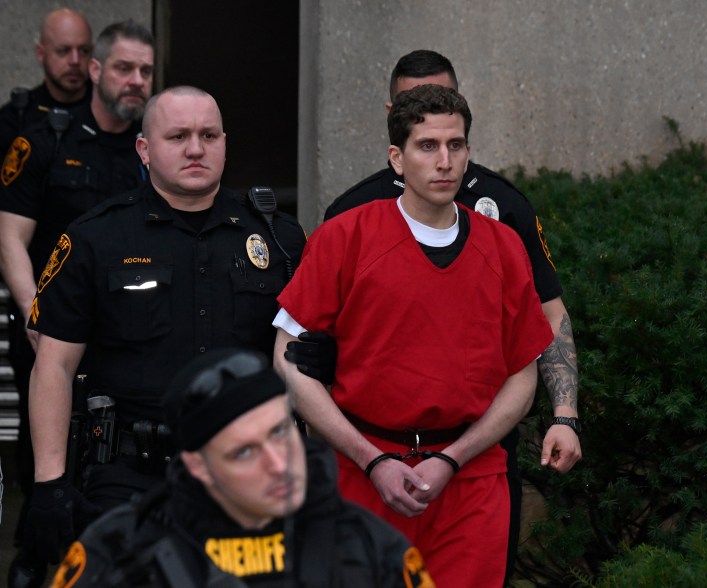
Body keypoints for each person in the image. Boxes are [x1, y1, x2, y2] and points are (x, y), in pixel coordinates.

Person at [306, 49, 582, 581]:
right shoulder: (347, 220)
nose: (443, 159)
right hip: (367, 461)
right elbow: (297, 358)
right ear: (396, 149)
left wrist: (564, 414)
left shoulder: (504, 222)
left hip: (474, 462)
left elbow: (544, 328)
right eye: (427, 143)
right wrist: (364, 456)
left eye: (455, 144)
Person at [21, 87, 307, 578]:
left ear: (224, 143)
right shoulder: (97, 237)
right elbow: (54, 364)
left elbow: (297, 357)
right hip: (131, 476)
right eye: (178, 136)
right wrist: (49, 485)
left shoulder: (279, 240)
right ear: (144, 149)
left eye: (208, 135)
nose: (196, 148)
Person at [51, 347, 435, 587]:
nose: (278, 463)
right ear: (198, 466)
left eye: (280, 433)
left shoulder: (369, 547)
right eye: (244, 453)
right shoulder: (119, 550)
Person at [2, 19, 154, 586]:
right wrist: (33, 312)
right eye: (123, 68)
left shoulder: (154, 148)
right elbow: (11, 238)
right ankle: (37, 551)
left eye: (145, 71)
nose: (136, 81)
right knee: (45, 438)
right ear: (96, 70)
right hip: (51, 327)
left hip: (124, 331)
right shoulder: (46, 140)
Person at [0, 8, 93, 155]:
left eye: (84, 51)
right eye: (63, 50)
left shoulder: (108, 112)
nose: (75, 61)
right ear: (41, 54)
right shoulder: (16, 118)